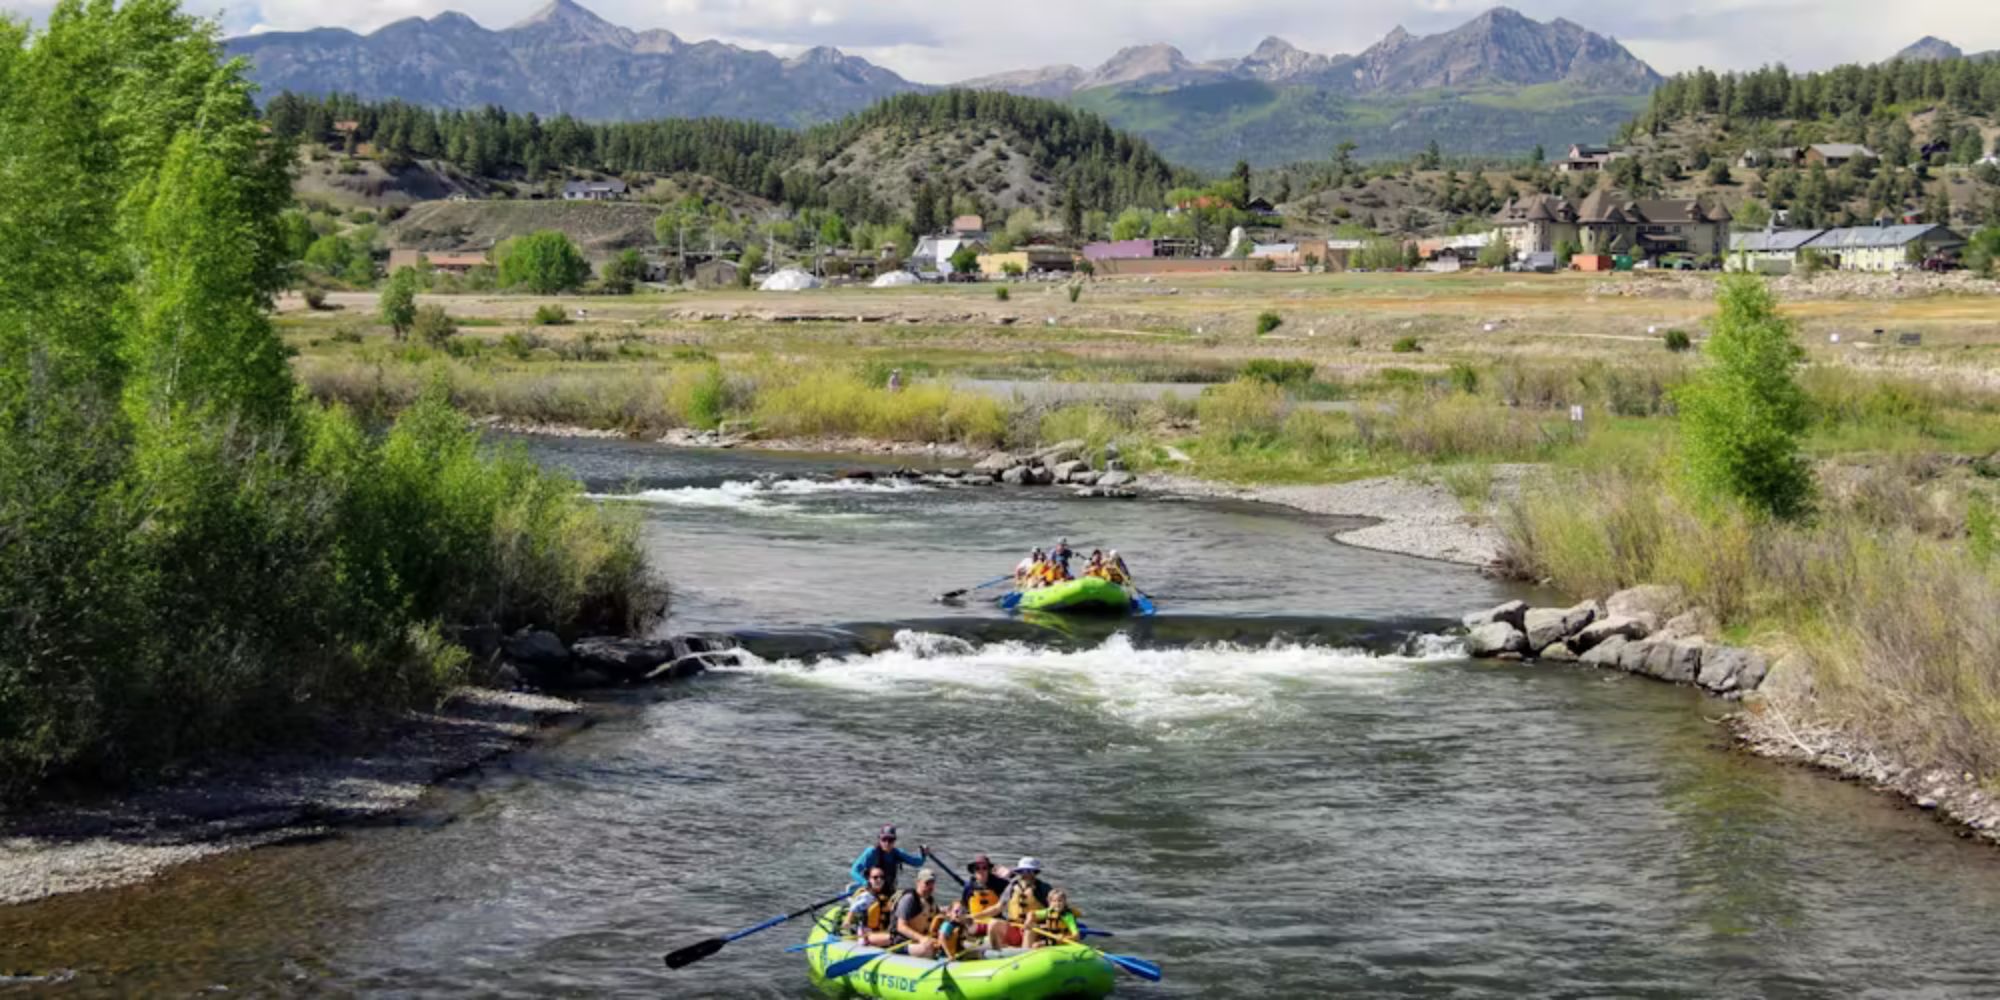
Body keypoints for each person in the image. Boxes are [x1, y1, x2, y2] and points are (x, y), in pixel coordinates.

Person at [979, 856, 1051, 950]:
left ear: (1035, 872)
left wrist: (1033, 918)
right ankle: (997, 952)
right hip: (1015, 927)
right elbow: (997, 908)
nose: (1025, 874)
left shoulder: (1044, 889)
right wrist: (973, 916)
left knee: (1030, 928)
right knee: (993, 923)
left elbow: (1055, 909)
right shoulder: (1012, 887)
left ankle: (1025, 953)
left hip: (1035, 930)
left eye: (1029, 871)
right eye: (1022, 871)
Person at [849, 824, 926, 893]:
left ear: (894, 840)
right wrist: (865, 883)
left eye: (890, 840)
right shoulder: (871, 852)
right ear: (879, 839)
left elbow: (917, 863)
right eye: (884, 839)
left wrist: (923, 854)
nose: (887, 843)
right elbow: (854, 871)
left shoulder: (897, 853)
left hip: (889, 891)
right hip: (871, 890)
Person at [893, 869, 946, 957]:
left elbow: (936, 916)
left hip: (922, 939)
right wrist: (921, 938)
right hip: (902, 942)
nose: (930, 886)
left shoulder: (930, 901)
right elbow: (901, 927)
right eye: (927, 883)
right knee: (929, 949)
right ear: (918, 882)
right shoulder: (909, 899)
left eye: (932, 883)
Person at [842, 865, 898, 947]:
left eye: (882, 877)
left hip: (883, 931)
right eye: (875, 877)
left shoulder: (887, 896)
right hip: (867, 934)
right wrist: (848, 921)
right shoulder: (866, 896)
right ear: (869, 879)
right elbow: (853, 909)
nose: (879, 880)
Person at [959, 854, 1011, 937]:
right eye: (977, 868)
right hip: (975, 921)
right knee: (973, 930)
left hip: (995, 921)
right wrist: (961, 916)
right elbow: (964, 905)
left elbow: (1015, 885)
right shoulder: (969, 887)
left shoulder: (999, 883)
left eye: (984, 868)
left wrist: (1010, 875)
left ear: (989, 870)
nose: (981, 871)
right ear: (974, 870)